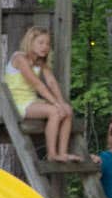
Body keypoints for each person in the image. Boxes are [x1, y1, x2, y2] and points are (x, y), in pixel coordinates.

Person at [5, 25, 75, 163]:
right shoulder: (20, 58)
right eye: (41, 43)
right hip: (17, 103)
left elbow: (52, 82)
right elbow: (37, 84)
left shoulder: (41, 62)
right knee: (54, 111)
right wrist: (55, 104)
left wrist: (61, 102)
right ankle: (52, 154)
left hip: (32, 101)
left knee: (67, 111)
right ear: (30, 43)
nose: (45, 47)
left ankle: (63, 153)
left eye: (48, 43)